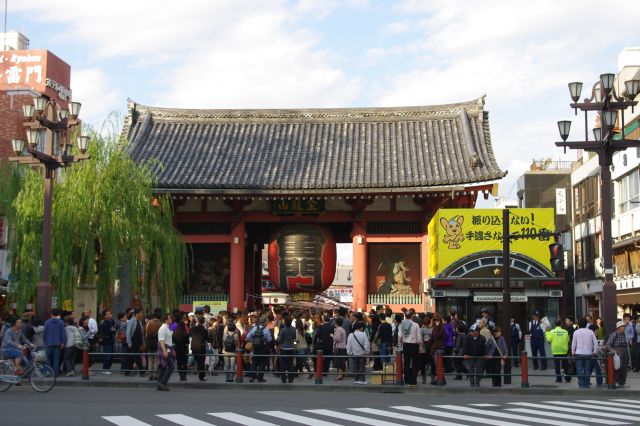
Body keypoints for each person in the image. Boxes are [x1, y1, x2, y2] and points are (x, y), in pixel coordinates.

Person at [571, 317, 599, 389]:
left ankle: (581, 383)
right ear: (586, 324)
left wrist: (573, 352)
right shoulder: (591, 332)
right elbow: (595, 343)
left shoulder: (576, 332)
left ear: (579, 324)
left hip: (579, 353)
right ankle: (586, 383)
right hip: (588, 353)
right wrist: (594, 352)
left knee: (579, 369)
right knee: (587, 370)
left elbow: (573, 344)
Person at [605, 320, 630, 388]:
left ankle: (622, 382)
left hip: (625, 350)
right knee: (618, 366)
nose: (624, 328)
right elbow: (608, 344)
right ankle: (617, 381)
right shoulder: (614, 334)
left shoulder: (624, 334)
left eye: (624, 326)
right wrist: (612, 350)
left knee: (624, 367)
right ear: (618, 327)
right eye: (622, 326)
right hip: (618, 350)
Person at [399, 311, 421, 387]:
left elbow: (400, 336)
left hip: (406, 345)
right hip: (414, 345)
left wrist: (401, 342)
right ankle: (413, 381)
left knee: (406, 363)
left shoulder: (402, 324)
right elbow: (419, 338)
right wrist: (420, 346)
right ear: (412, 316)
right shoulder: (416, 325)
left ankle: (407, 381)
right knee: (415, 363)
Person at [246, 318, 272, 382]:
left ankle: (252, 377)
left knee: (254, 362)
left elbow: (248, 337)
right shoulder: (266, 330)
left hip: (255, 348)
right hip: (263, 348)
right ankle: (260, 378)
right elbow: (269, 340)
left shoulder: (254, 328)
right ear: (264, 323)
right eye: (266, 322)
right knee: (262, 363)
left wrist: (253, 341)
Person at [546, 319, 570, 383]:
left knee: (557, 366)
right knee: (565, 366)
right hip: (564, 351)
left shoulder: (552, 332)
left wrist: (547, 332)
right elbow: (568, 340)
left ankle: (559, 379)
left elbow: (548, 340)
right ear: (561, 324)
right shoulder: (565, 331)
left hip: (556, 351)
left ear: (555, 324)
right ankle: (567, 378)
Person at [44, 308, 66, 376]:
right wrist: (63, 342)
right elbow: (63, 333)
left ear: (51, 314)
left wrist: (45, 341)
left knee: (48, 359)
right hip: (58, 343)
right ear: (58, 314)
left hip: (49, 343)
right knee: (56, 359)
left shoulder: (47, 322)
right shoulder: (61, 322)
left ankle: (47, 372)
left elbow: (45, 333)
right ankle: (55, 373)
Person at [125, 308, 146, 377]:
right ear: (137, 314)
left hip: (138, 342)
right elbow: (128, 332)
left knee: (131, 357)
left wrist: (143, 343)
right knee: (137, 356)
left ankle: (127, 371)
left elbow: (141, 333)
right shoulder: (132, 321)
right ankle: (141, 371)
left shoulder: (139, 321)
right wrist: (129, 342)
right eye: (141, 313)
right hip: (133, 341)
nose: (142, 314)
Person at [157, 313, 175, 391]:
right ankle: (162, 383)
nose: (171, 319)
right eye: (169, 318)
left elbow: (169, 340)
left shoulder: (167, 328)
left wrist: (172, 350)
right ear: (166, 319)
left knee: (163, 367)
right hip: (164, 349)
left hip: (168, 349)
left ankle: (160, 384)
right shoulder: (163, 328)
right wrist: (164, 351)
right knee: (172, 366)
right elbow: (162, 341)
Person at [277, 317, 296, 383]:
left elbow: (280, 339)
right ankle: (291, 378)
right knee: (290, 363)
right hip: (291, 347)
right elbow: (294, 337)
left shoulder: (282, 330)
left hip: (283, 348)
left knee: (283, 363)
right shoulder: (294, 329)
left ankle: (283, 379)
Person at [190, 316, 210, 381]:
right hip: (201, 348)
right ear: (204, 322)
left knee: (197, 361)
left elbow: (190, 335)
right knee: (201, 362)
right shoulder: (205, 331)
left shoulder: (193, 329)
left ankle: (197, 372)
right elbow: (207, 339)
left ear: (197, 321)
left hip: (194, 347)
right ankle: (201, 376)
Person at [145, 310, 162, 380]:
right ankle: (155, 375)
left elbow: (146, 335)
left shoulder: (148, 323)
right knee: (156, 360)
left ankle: (150, 375)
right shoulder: (160, 324)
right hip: (157, 344)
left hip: (149, 344)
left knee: (150, 359)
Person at [173, 313, 191, 381]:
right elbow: (188, 342)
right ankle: (184, 375)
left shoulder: (175, 334)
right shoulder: (185, 334)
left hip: (177, 349)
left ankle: (181, 375)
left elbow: (173, 342)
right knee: (184, 363)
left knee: (179, 363)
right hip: (184, 349)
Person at [100, 310, 116, 375]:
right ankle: (105, 369)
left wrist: (113, 330)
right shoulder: (105, 323)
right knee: (107, 355)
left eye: (110, 313)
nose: (110, 315)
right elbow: (107, 332)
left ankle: (108, 368)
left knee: (110, 355)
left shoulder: (110, 321)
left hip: (110, 341)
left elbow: (114, 329)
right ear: (105, 316)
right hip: (107, 341)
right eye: (108, 314)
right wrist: (112, 330)